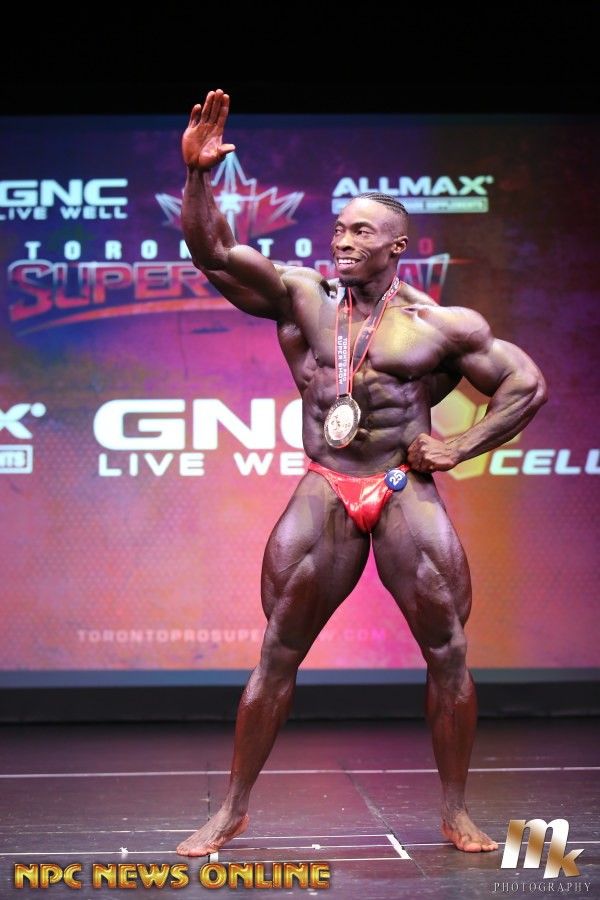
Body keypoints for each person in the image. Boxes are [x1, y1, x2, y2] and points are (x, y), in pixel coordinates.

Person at [175, 89, 547, 857]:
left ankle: (455, 811)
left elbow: (526, 384)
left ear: (397, 246)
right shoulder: (302, 297)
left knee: (448, 650)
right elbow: (214, 254)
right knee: (278, 648)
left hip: (403, 485)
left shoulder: (440, 326)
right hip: (327, 484)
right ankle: (231, 809)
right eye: (340, 229)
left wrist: (463, 445)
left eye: (361, 232)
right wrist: (199, 179)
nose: (342, 240)